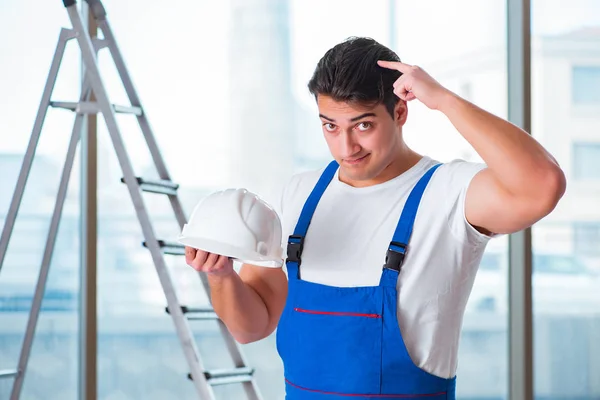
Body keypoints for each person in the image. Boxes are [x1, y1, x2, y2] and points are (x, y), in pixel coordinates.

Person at [184, 37, 566, 399]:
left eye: (362, 125)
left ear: (400, 111)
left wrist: (445, 100)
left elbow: (542, 184)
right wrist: (221, 277)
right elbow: (251, 325)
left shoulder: (449, 193)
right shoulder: (298, 195)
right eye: (330, 126)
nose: (346, 147)